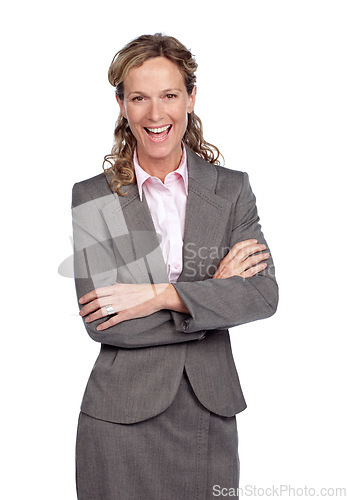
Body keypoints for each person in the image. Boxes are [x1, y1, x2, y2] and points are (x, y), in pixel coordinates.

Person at [71, 33, 278, 500]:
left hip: (209, 413)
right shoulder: (95, 197)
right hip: (118, 420)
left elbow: (263, 295)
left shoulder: (231, 191)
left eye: (169, 95)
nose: (155, 113)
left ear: (191, 98)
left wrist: (160, 296)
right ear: (121, 104)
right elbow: (106, 322)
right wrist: (211, 295)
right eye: (139, 97)